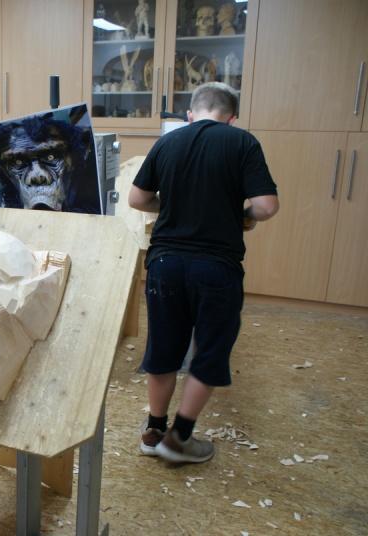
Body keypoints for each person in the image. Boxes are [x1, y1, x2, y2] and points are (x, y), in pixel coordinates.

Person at [128, 82, 278, 463]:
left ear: (190, 114)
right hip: (215, 267)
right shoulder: (242, 142)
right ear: (232, 117)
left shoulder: (168, 142)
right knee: (209, 352)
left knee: (163, 347)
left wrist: (171, 205)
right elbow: (266, 207)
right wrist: (241, 215)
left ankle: (153, 430)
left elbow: (137, 199)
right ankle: (179, 438)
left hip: (164, 265)